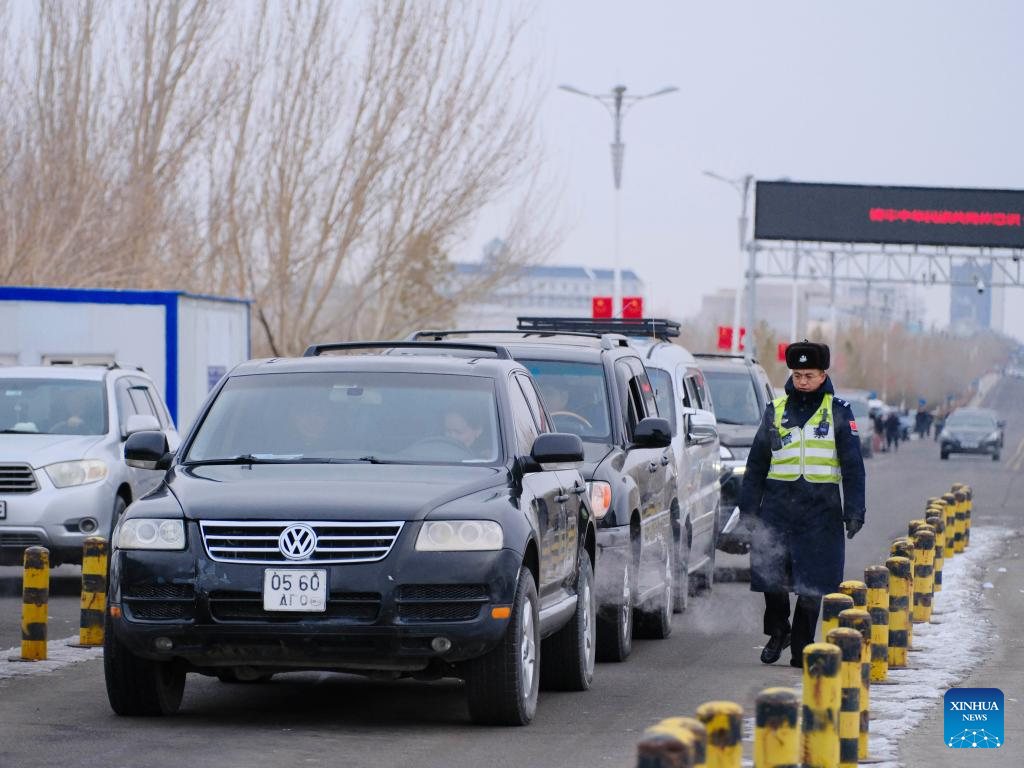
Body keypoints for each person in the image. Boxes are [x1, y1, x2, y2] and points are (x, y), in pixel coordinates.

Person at [739, 340, 866, 668]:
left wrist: (855, 510)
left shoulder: (838, 411)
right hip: (777, 509)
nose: (803, 381)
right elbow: (756, 464)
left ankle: (802, 644)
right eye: (797, 375)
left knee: (814, 582)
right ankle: (778, 629)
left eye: (809, 375)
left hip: (820, 512)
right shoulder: (776, 409)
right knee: (771, 576)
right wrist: (748, 511)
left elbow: (853, 465)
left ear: (823, 375)